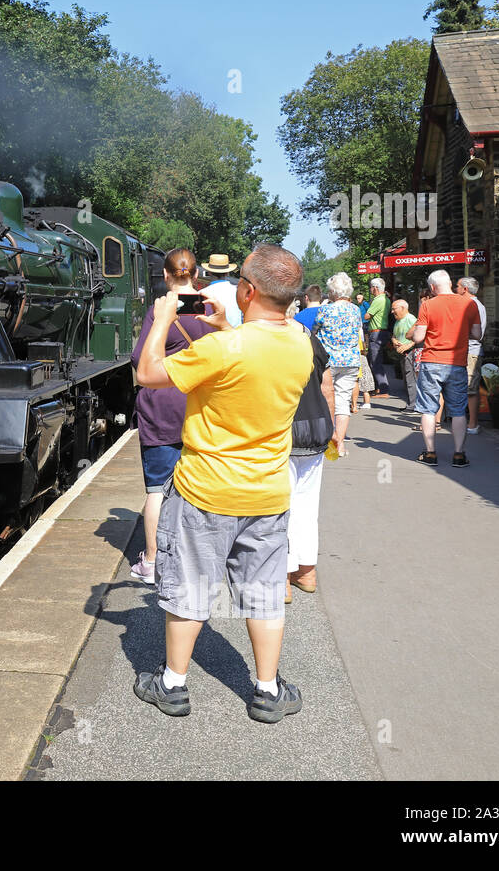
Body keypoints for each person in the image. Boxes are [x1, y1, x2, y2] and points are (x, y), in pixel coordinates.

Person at [134, 243, 312, 724]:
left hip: (205, 493)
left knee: (191, 589)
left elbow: (146, 373)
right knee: (263, 594)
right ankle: (268, 690)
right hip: (268, 493)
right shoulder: (299, 342)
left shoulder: (221, 350)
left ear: (248, 289)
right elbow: (256, 355)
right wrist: (225, 326)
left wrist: (162, 318)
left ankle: (172, 685)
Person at [129, 249, 211, 582]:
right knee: (195, 486)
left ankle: (151, 562)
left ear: (165, 275)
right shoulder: (208, 310)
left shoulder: (161, 309)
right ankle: (192, 558)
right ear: (195, 273)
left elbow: (139, 358)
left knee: (157, 490)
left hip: (162, 408)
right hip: (198, 408)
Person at [411, 270, 482, 467]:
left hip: (432, 360)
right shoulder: (469, 304)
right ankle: (459, 454)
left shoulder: (427, 305)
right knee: (458, 410)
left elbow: (418, 337)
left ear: (432, 287)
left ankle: (430, 453)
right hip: (457, 362)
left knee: (428, 408)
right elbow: (477, 334)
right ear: (450, 284)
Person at [287, 323, 335, 603]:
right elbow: (327, 386)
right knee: (307, 505)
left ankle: (281, 578)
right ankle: (306, 573)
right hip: (316, 429)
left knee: (279, 506)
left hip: (284, 431)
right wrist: (333, 431)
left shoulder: (270, 340)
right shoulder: (311, 339)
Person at [315, 272, 363, 457]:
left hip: (329, 361)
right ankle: (340, 444)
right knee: (343, 401)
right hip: (350, 361)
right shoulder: (355, 310)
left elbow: (315, 331)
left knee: (326, 398)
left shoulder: (325, 310)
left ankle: (328, 438)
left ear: (333, 292)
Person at [457, 277, 487, 434]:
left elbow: (476, 333)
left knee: (471, 389)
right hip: (467, 350)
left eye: (458, 286)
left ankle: (473, 424)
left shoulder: (474, 305)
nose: (456, 289)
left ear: (465, 289)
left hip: (471, 351)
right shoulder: (471, 304)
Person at [199, 254, 243, 329]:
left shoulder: (201, 293)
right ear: (227, 273)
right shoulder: (238, 292)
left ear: (209, 272)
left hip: (213, 337)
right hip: (237, 336)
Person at [364, 278, 391, 396]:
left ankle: (383, 389)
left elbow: (367, 316)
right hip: (382, 331)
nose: (370, 290)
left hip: (376, 332)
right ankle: (378, 387)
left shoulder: (378, 300)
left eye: (371, 287)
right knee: (374, 360)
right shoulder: (386, 299)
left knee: (375, 362)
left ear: (375, 288)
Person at [390, 298, 419, 411]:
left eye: (394, 309)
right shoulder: (398, 320)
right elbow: (394, 335)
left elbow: (419, 335)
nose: (392, 312)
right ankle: (411, 404)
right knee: (407, 379)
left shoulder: (411, 319)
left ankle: (414, 406)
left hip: (411, 352)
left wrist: (408, 346)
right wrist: (394, 341)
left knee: (411, 379)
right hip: (403, 354)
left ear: (403, 308)